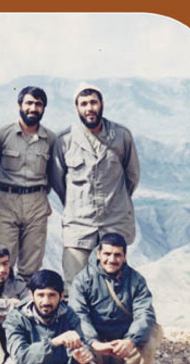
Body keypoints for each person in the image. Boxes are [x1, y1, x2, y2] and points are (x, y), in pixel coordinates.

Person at [49, 83, 140, 293]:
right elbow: (58, 181)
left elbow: (132, 176)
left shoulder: (121, 136)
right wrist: (77, 203)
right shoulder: (65, 140)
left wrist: (115, 200)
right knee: (74, 283)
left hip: (114, 221)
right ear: (76, 108)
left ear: (102, 104)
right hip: (79, 224)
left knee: (117, 284)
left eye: (93, 102)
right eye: (83, 104)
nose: (89, 108)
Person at [69, 233, 162, 364]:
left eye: (117, 255)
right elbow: (78, 314)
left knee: (151, 334)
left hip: (125, 343)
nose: (112, 260)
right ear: (98, 254)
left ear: (124, 257)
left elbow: (144, 314)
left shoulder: (136, 281)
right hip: (96, 343)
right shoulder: (82, 281)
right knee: (74, 344)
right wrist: (94, 343)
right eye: (107, 254)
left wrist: (130, 341)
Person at [0, 86, 55, 283]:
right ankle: (1, 300)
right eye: (29, 103)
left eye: (38, 104)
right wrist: (3, 191)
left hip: (37, 202)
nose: (33, 108)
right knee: (1, 259)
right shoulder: (2, 135)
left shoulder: (50, 139)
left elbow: (53, 172)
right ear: (20, 105)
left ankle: (28, 299)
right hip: (7, 202)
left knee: (32, 263)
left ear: (44, 108)